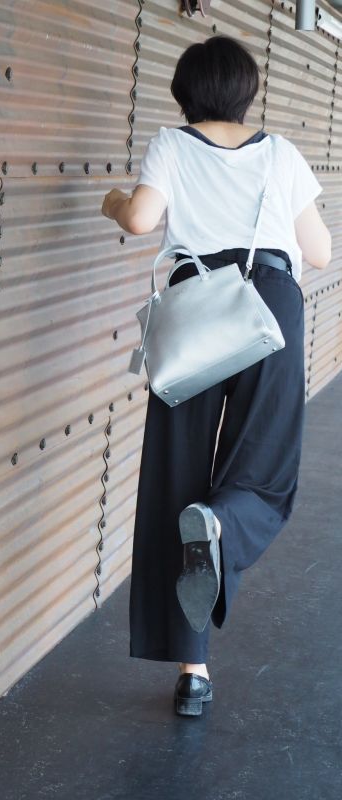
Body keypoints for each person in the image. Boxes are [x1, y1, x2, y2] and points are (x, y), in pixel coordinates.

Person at [101, 34, 331, 716]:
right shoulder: (281, 153)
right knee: (263, 473)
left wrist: (113, 200)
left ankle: (193, 674)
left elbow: (140, 219)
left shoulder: (172, 145)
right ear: (246, 91)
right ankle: (223, 519)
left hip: (197, 313)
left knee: (176, 476)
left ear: (185, 91)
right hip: (270, 307)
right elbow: (319, 252)